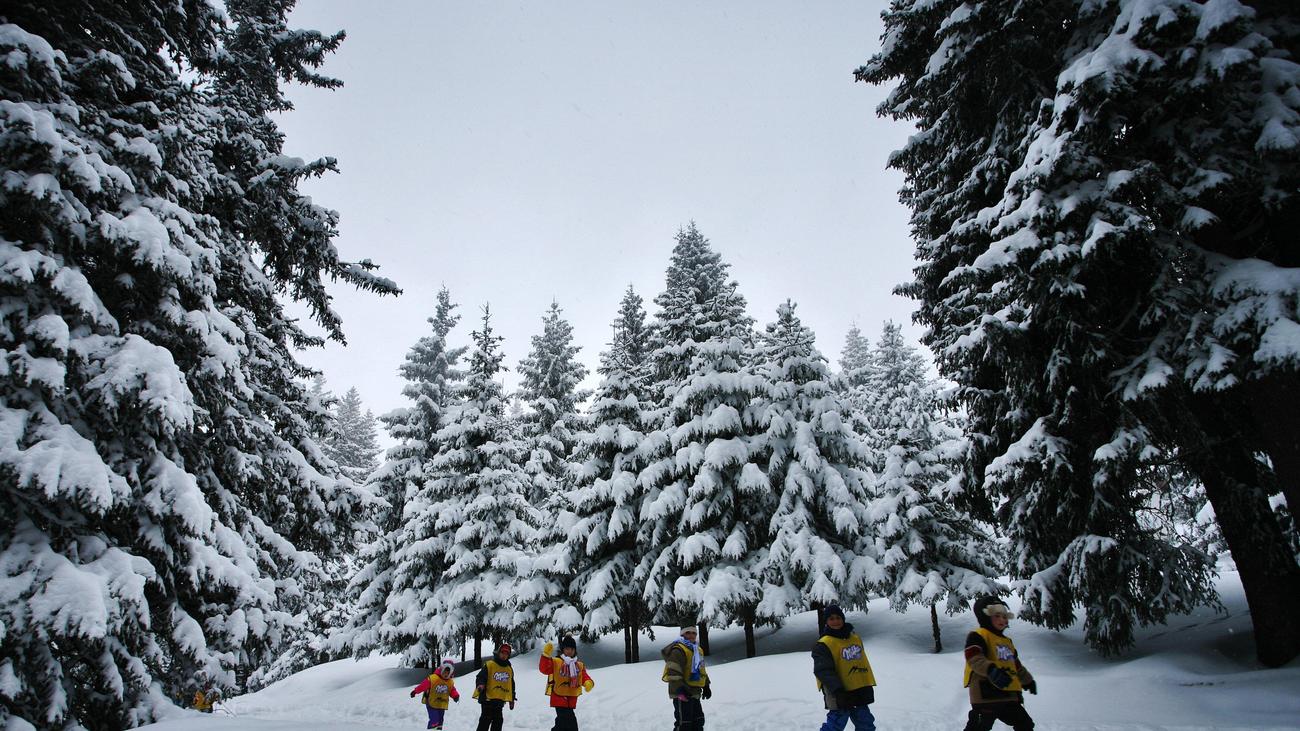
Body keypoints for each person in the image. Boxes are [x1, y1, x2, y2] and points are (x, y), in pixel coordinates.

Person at [962, 596, 1038, 731]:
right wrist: (991, 670)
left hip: (1008, 696)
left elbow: (1015, 665)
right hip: (985, 695)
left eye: (1004, 616)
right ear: (985, 617)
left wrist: (1027, 680)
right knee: (978, 727)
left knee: (1025, 724)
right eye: (997, 616)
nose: (1002, 620)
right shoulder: (978, 635)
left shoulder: (1007, 642)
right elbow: (974, 658)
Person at [811, 605, 877, 731]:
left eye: (838, 617)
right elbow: (823, 671)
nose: (835, 621)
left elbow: (862, 663)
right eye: (831, 618)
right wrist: (837, 690)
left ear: (843, 619)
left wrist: (866, 685)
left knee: (865, 722)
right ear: (826, 622)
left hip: (858, 688)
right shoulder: (823, 644)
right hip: (838, 691)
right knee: (836, 723)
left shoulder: (855, 638)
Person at [538, 635, 595, 731]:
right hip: (559, 697)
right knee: (571, 724)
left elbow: (583, 675)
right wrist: (545, 655)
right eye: (567, 648)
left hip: (570, 699)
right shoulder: (556, 662)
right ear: (563, 650)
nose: (570, 651)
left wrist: (588, 682)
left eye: (572, 649)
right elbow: (544, 669)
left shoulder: (578, 664)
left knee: (561, 724)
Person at [661, 624, 711, 731]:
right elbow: (673, 672)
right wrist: (679, 689)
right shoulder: (678, 650)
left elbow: (701, 669)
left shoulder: (697, 650)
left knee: (698, 721)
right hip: (682, 692)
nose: (691, 635)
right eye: (688, 633)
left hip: (694, 692)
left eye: (694, 633)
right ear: (682, 634)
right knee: (684, 724)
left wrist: (706, 685)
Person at [473, 642, 516, 731]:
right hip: (487, 699)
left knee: (498, 722)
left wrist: (512, 698)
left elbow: (511, 684)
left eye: (506, 653)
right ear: (498, 652)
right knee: (485, 721)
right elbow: (481, 677)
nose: (504, 655)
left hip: (499, 700)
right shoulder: (490, 665)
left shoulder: (509, 669)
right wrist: (480, 684)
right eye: (502, 652)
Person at [410, 658, 461, 729]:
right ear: (441, 670)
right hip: (431, 702)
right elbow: (423, 686)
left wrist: (455, 696)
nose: (446, 674)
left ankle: (438, 728)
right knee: (434, 719)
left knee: (440, 720)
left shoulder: (450, 682)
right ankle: (432, 728)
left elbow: (452, 690)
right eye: (444, 672)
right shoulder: (433, 679)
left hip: (441, 703)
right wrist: (415, 691)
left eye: (448, 673)